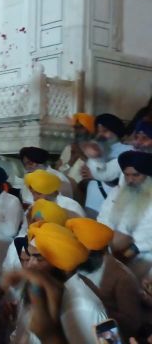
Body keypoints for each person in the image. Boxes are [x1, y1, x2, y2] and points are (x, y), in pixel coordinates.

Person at [16, 222, 108, 344]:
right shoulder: (38, 288)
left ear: (64, 266)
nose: (29, 266)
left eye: (38, 258)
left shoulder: (87, 307)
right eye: (30, 257)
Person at [66, 218, 144, 340]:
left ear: (99, 251)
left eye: (82, 250)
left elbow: (132, 325)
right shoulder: (78, 264)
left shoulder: (122, 278)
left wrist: (98, 311)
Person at [98, 150, 152, 279]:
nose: (130, 180)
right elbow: (102, 218)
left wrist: (132, 249)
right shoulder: (117, 192)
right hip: (109, 247)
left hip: (143, 254)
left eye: (135, 175)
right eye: (126, 175)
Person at [81, 113, 134, 215]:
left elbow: (125, 177)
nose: (100, 135)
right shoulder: (98, 149)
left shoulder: (128, 151)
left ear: (116, 131)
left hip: (112, 200)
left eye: (105, 131)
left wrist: (96, 175)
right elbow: (86, 176)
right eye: (98, 131)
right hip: (93, 198)